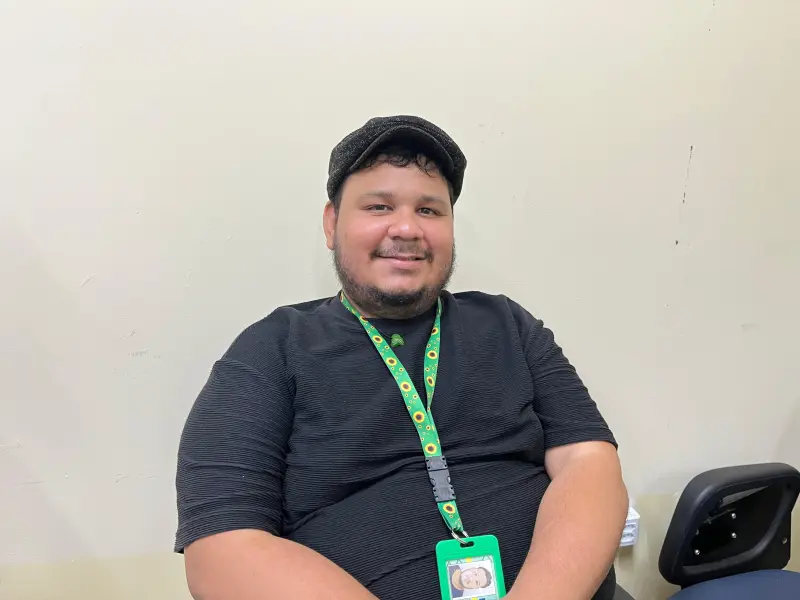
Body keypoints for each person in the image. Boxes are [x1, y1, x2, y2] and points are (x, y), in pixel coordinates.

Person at [174, 115, 629, 600]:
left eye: (429, 210)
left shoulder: (507, 325)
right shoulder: (272, 348)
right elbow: (221, 547)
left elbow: (589, 460)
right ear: (332, 223)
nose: (408, 228)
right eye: (379, 206)